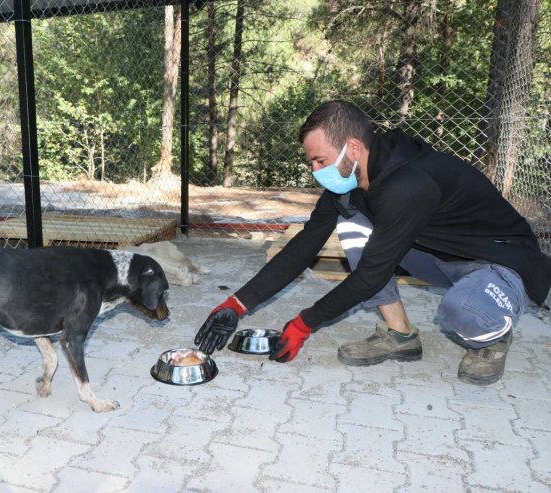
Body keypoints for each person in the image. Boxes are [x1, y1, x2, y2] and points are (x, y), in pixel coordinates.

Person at [194, 100, 551, 385]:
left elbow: (367, 277)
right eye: (312, 162)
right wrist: (236, 304)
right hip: (440, 256)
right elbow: (305, 245)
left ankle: (492, 338)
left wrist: (304, 323)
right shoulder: (353, 181)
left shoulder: (407, 184)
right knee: (353, 219)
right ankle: (400, 336)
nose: (315, 170)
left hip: (500, 261)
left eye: (319, 160)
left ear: (352, 147)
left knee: (463, 309)